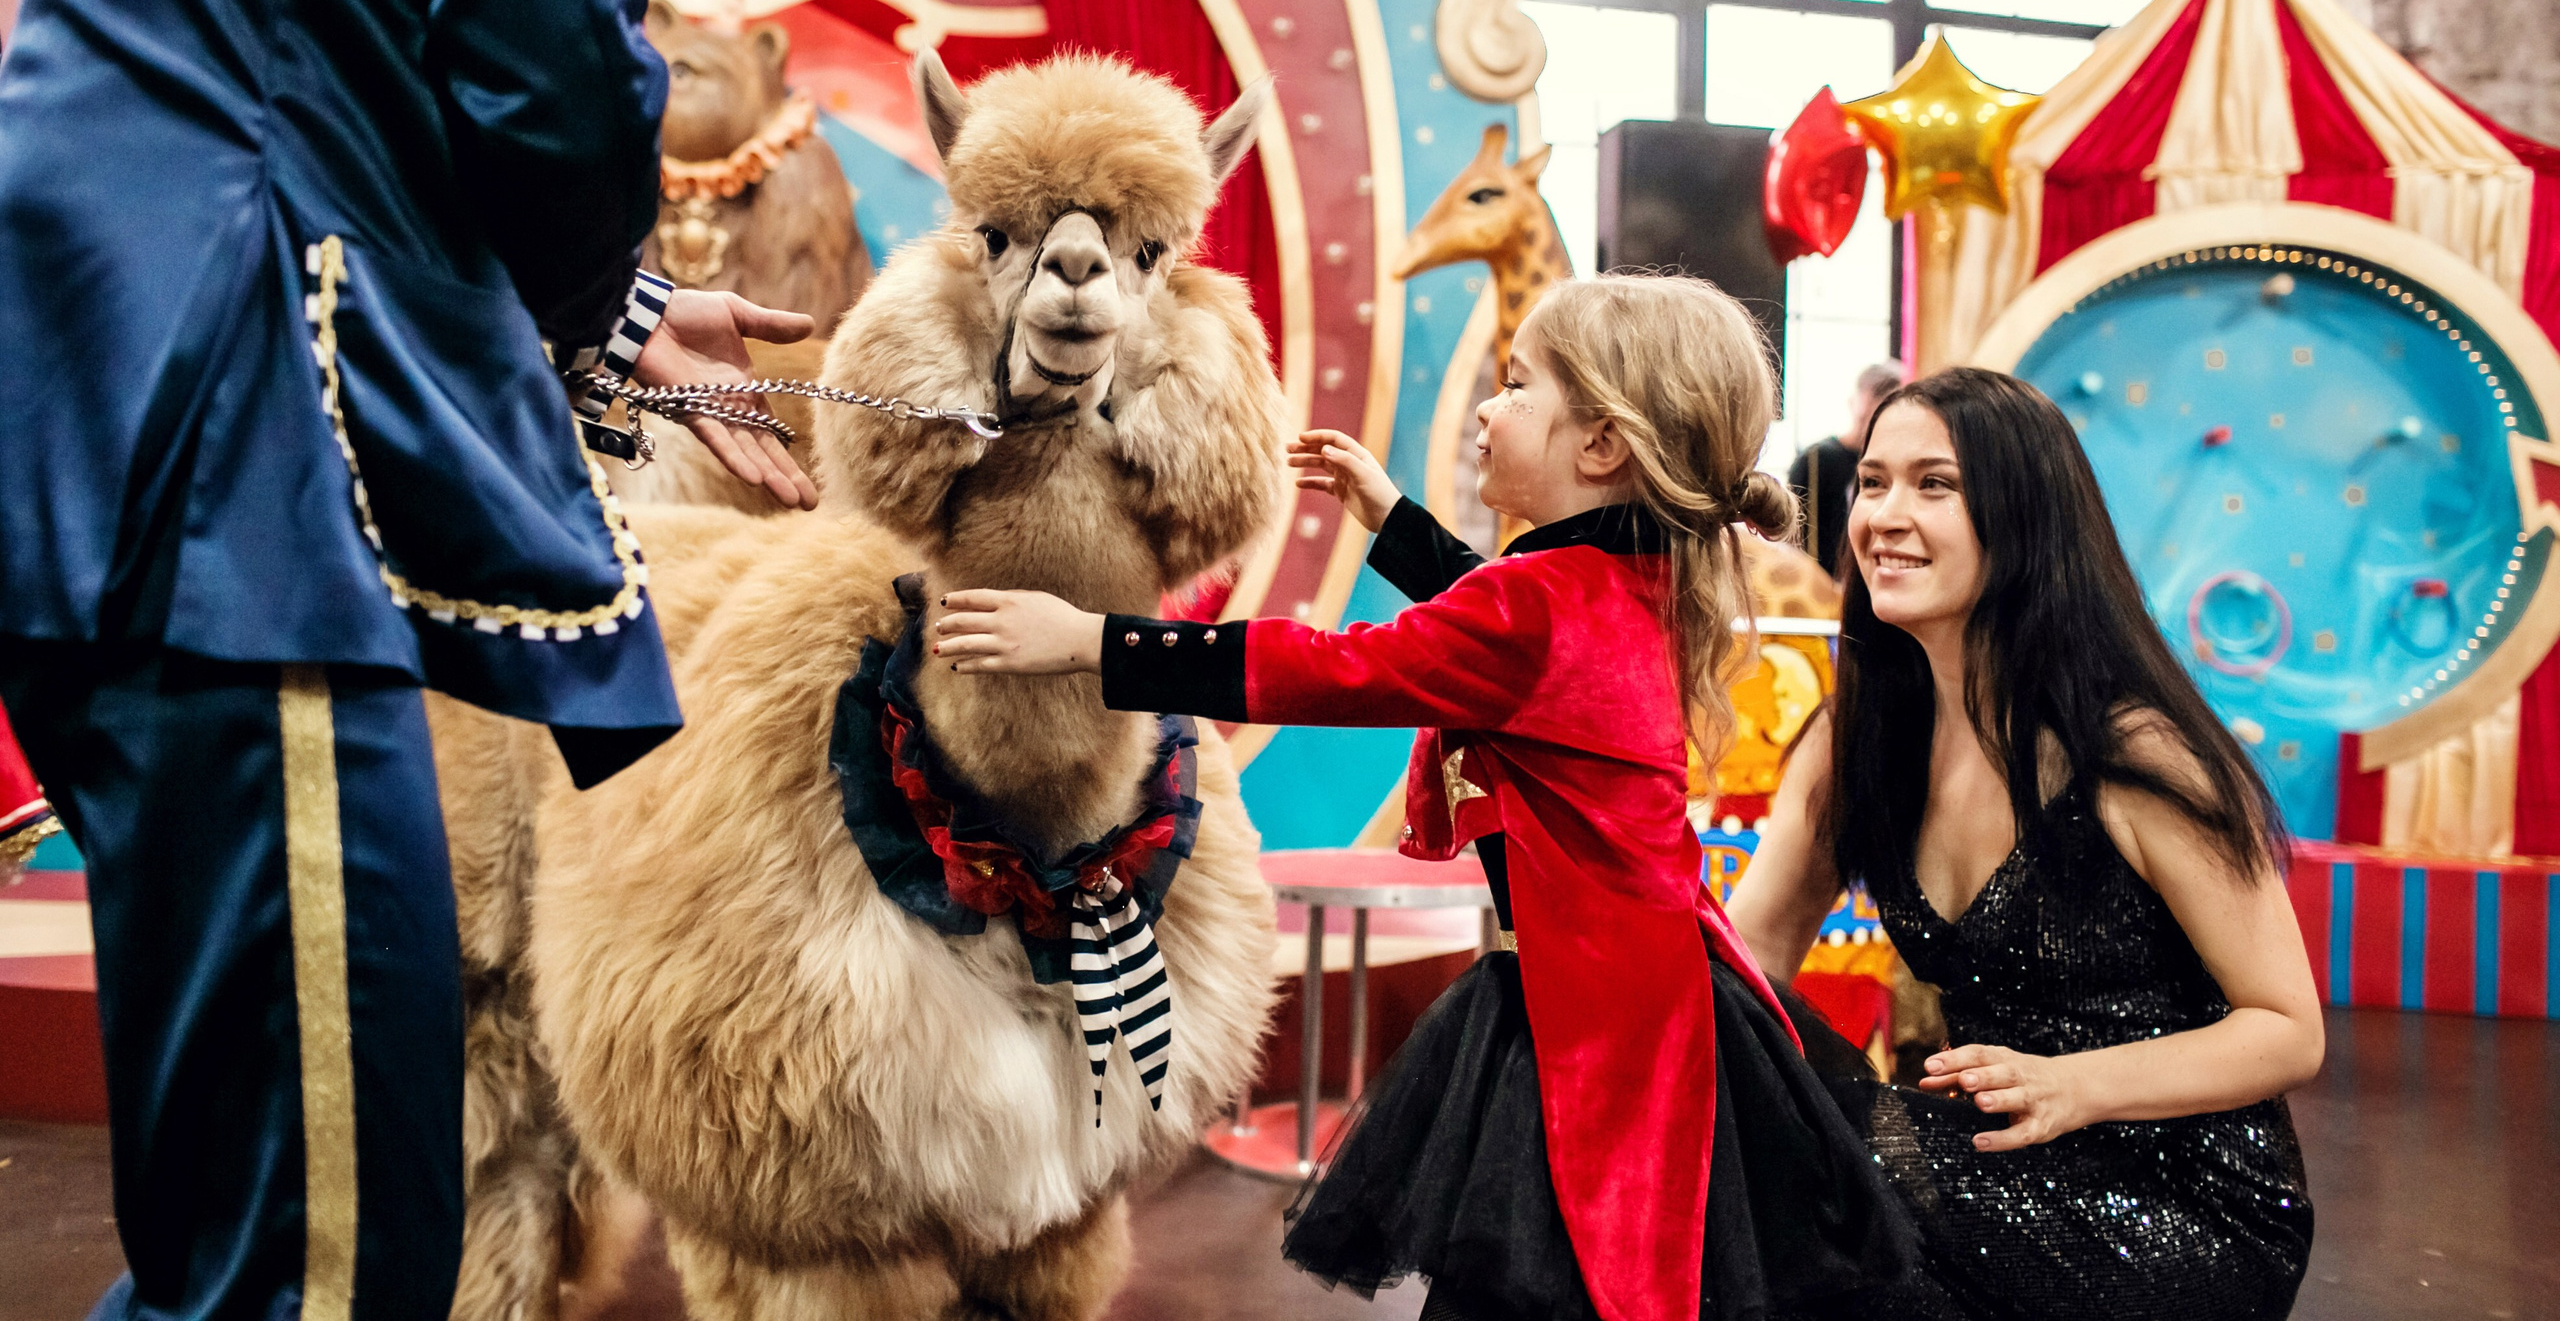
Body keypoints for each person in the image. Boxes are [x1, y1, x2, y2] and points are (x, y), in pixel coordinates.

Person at [0, 0, 814, 1315]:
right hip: (255, 470)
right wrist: (594, 293)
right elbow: (557, 59)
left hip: (120, 429)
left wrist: (620, 317)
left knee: (239, 1227)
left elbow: (306, 46)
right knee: (325, 1262)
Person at [933, 275, 1924, 1321]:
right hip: (1660, 988)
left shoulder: (1536, 606)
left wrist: (1092, 641)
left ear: (1599, 448)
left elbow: (1336, 669)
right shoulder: (1629, 579)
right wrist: (1389, 517)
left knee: (1572, 1274)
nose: (1491, 410)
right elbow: (1493, 629)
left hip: (1595, 1024)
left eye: (1517, 385)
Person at [1728, 367, 2321, 1321]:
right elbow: (1746, 959)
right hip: (1987, 1162)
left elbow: (2289, 1028)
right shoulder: (1855, 742)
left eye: (1935, 485)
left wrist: (2074, 1086)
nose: (1884, 513)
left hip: (2182, 1207)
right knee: (1745, 1098)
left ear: (2026, 518)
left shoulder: (2132, 751)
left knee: (1824, 1177)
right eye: (1872, 482)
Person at [1789, 361, 1904, 575]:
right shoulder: (1816, 459)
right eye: (1876, 397)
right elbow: (1792, 535)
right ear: (1854, 402)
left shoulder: (1898, 465)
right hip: (1819, 589)